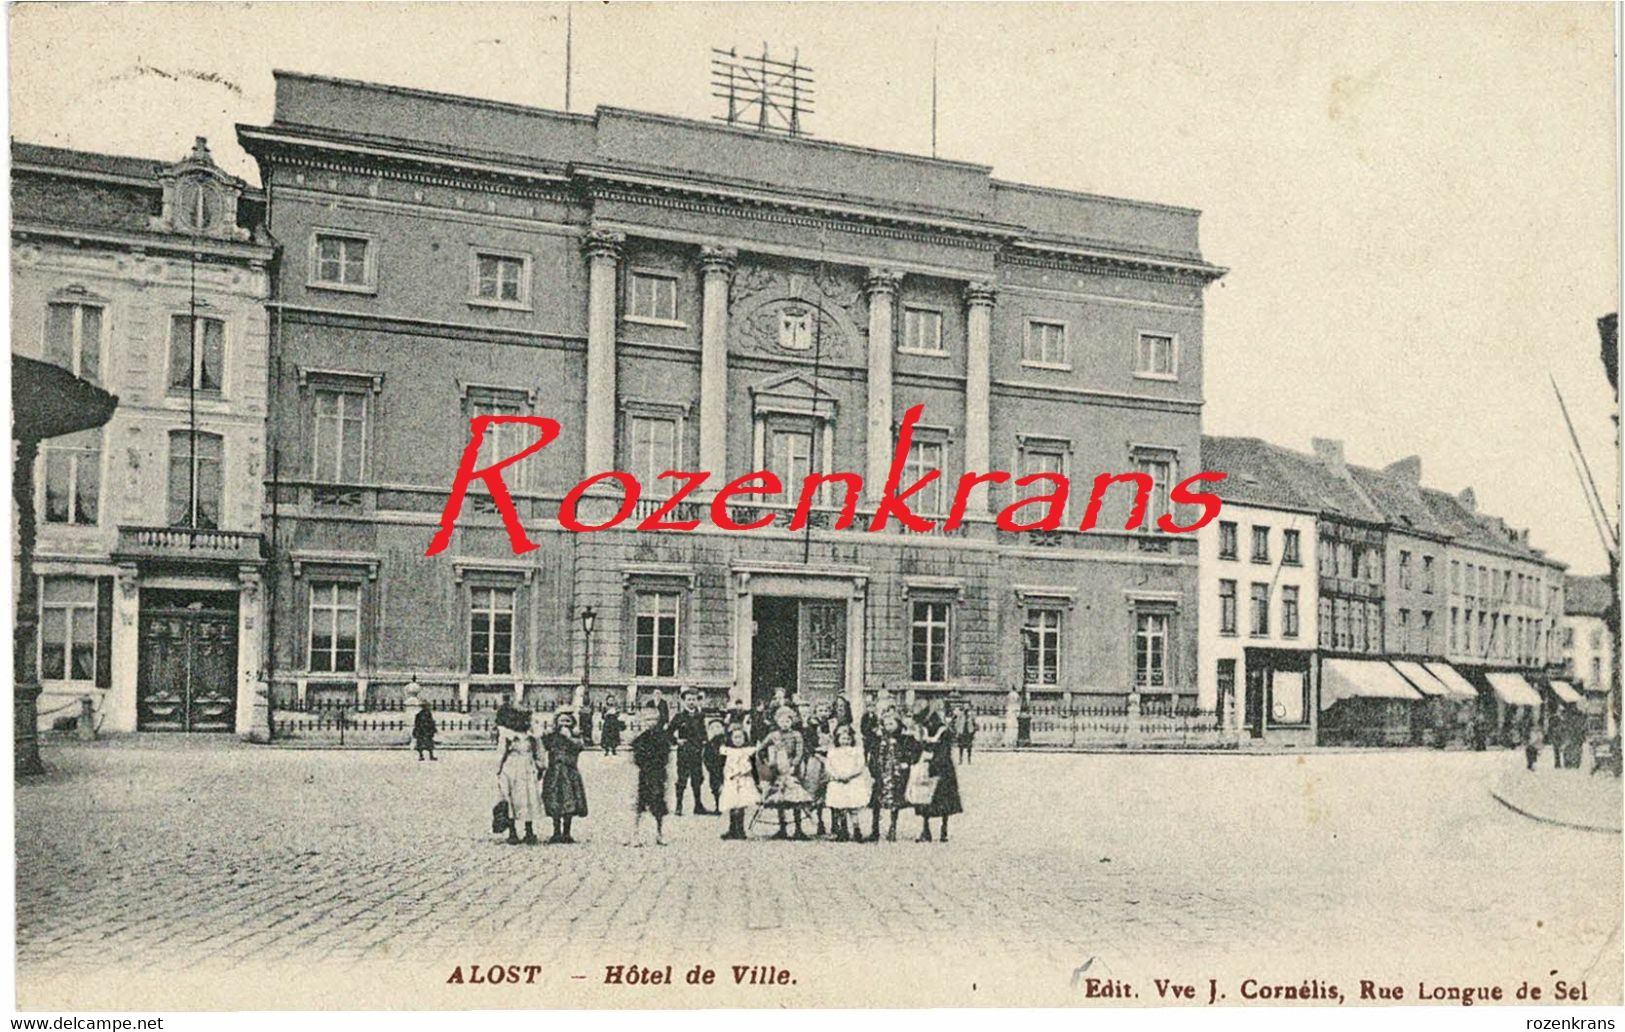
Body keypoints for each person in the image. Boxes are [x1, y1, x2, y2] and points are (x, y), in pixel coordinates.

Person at [757, 705, 814, 840]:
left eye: (788, 721)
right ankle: (782, 828)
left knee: (796, 797)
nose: (785, 724)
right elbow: (760, 749)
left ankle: (798, 829)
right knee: (779, 797)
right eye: (782, 721)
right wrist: (767, 762)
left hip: (793, 769)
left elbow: (800, 752)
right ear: (777, 722)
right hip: (778, 769)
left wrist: (794, 764)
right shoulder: (773, 735)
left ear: (792, 721)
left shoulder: (796, 735)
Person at [914, 704, 963, 842]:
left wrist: (929, 758)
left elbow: (941, 751)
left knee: (933, 799)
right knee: (931, 799)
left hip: (937, 769)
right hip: (941, 768)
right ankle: (937, 830)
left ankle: (935, 830)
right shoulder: (933, 731)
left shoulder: (941, 732)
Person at [495, 706, 542, 846]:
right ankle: (512, 830)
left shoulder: (532, 737)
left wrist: (540, 766)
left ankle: (529, 830)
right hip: (511, 768)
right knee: (510, 799)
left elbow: (539, 752)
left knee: (528, 797)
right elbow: (501, 753)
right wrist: (499, 769)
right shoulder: (508, 736)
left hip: (528, 768)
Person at [868, 708, 916, 842]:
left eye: (891, 724)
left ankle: (893, 827)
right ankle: (875, 828)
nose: (888, 727)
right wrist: (873, 770)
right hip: (881, 773)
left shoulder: (906, 738)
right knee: (877, 801)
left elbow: (914, 752)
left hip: (896, 773)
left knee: (895, 801)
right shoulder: (878, 738)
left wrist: (907, 762)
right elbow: (872, 755)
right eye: (886, 724)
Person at [541, 712, 589, 843]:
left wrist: (570, 737)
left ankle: (567, 832)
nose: (564, 724)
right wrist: (546, 733)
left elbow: (580, 747)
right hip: (554, 772)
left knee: (569, 801)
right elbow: (542, 744)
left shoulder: (575, 736)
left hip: (569, 773)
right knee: (554, 800)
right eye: (561, 721)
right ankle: (556, 831)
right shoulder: (552, 736)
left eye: (567, 721)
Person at [629, 704, 672, 846]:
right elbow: (635, 758)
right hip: (644, 775)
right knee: (639, 805)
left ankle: (659, 834)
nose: (650, 723)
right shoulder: (640, 739)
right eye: (647, 720)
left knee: (659, 804)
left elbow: (666, 757)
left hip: (658, 774)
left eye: (653, 719)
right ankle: (635, 833)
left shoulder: (662, 738)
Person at [824, 724, 871, 842]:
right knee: (841, 807)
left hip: (852, 781)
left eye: (848, 739)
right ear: (837, 739)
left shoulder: (856, 751)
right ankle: (843, 831)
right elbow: (828, 765)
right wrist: (836, 775)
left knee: (853, 807)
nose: (845, 741)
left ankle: (856, 830)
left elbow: (860, 765)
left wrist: (850, 775)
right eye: (842, 738)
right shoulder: (833, 751)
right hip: (838, 782)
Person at [671, 689, 713, 815]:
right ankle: (679, 806)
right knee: (682, 779)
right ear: (684, 701)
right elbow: (668, 733)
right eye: (689, 699)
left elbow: (703, 732)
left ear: (697, 701)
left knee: (697, 779)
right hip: (684, 753)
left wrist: (705, 741)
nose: (691, 702)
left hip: (696, 752)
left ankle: (698, 806)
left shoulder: (700, 716)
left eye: (694, 699)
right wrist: (677, 740)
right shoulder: (679, 717)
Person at [717, 725, 760, 840]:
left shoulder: (748, 751)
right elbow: (720, 767)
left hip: (744, 780)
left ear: (745, 738)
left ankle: (740, 830)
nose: (738, 740)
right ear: (730, 738)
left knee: (741, 804)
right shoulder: (726, 751)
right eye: (735, 737)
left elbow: (754, 767)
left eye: (740, 737)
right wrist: (720, 781)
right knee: (732, 803)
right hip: (730, 780)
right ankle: (732, 829)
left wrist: (757, 782)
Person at [703, 718, 727, 813]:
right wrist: (709, 766)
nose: (716, 729)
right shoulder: (710, 744)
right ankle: (718, 805)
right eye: (713, 728)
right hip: (714, 769)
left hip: (726, 768)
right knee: (715, 786)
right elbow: (706, 756)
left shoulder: (727, 741)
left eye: (718, 727)